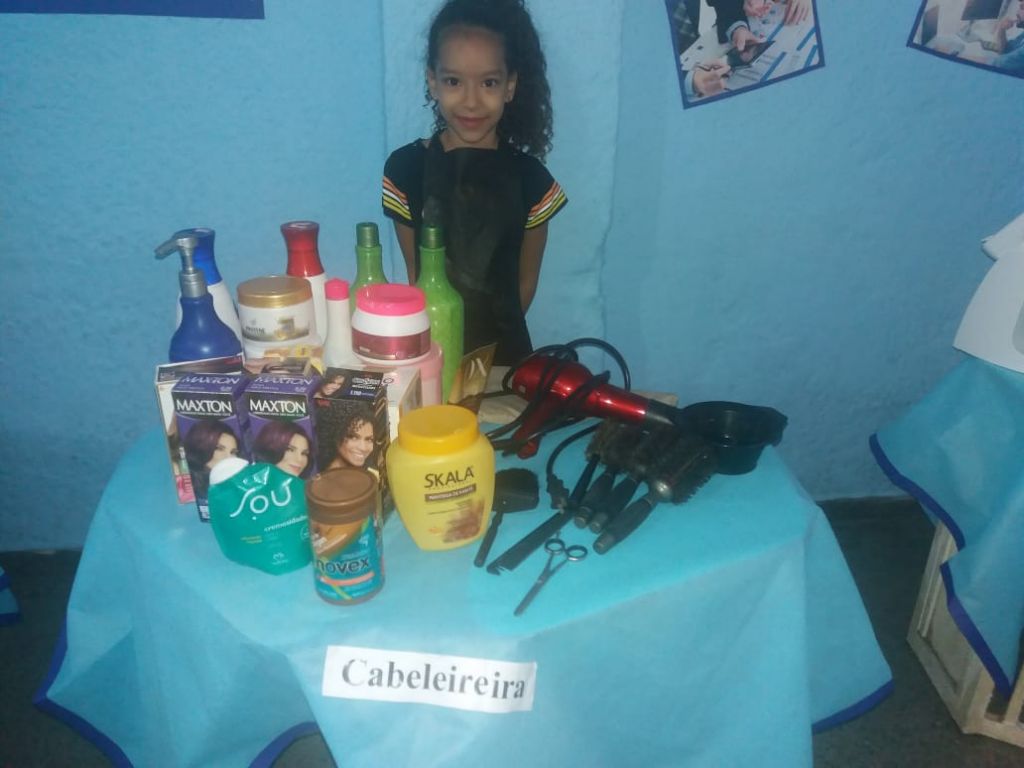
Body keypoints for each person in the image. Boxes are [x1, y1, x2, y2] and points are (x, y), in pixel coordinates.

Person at [382, 0, 568, 366]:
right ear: (433, 81)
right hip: (432, 357)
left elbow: (524, 286)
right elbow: (418, 277)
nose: (471, 101)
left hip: (506, 363)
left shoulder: (532, 181)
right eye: (453, 81)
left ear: (510, 86)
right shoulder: (404, 171)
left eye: (489, 83)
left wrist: (486, 362)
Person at [183, 421, 240, 500]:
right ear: (200, 449)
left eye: (233, 452)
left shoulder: (236, 487)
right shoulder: (186, 488)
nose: (228, 457)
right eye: (220, 449)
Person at [325, 405, 378, 472]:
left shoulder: (373, 475)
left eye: (369, 439)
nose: (363, 448)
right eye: (353, 437)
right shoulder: (322, 477)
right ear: (336, 436)